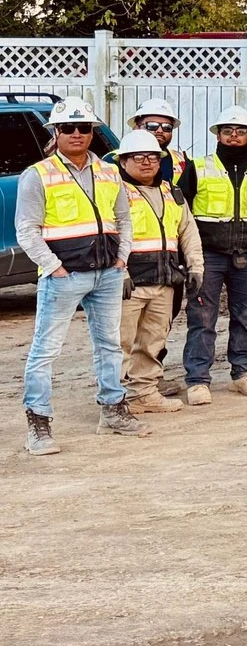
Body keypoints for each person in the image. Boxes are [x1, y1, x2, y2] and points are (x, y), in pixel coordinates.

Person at [17, 99, 138, 453]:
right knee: (45, 350)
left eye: (83, 127)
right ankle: (38, 423)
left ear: (92, 132)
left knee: (110, 346)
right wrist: (54, 266)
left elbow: (123, 219)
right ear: (56, 132)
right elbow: (26, 229)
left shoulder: (109, 171)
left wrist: (122, 258)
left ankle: (113, 411)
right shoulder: (38, 174)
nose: (76, 134)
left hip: (107, 273)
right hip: (64, 276)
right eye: (68, 128)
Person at [183, 104, 247, 406]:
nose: (234, 136)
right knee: (202, 318)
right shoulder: (198, 167)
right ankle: (198, 380)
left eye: (240, 131)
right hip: (208, 255)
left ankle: (243, 373)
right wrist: (189, 253)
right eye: (228, 131)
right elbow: (179, 212)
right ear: (218, 135)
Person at [114, 132, 199, 417]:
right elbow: (108, 236)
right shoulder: (115, 192)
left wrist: (196, 266)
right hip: (130, 284)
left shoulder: (170, 192)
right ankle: (115, 399)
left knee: (152, 343)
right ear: (123, 161)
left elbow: (188, 231)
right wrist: (120, 271)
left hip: (165, 281)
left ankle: (144, 394)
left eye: (152, 157)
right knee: (120, 344)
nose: (147, 162)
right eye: (138, 157)